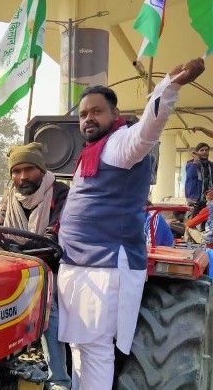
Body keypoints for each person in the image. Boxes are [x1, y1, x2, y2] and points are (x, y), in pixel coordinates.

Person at [56, 58, 205, 390]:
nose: (88, 119)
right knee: (79, 348)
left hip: (105, 265)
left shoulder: (122, 143)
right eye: (83, 114)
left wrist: (169, 86)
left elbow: (148, 130)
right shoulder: (91, 153)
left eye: (96, 111)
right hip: (78, 264)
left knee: (95, 350)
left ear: (114, 114)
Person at [0, 142, 71, 390]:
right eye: (16, 171)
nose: (22, 176)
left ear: (41, 170)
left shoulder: (60, 193)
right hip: (16, 265)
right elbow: (1, 219)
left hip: (49, 266)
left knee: (50, 307)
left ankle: (59, 379)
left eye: (29, 169)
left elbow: (52, 237)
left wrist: (21, 255)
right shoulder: (10, 194)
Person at [185, 142, 212, 212]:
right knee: (194, 221)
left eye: (206, 150)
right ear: (197, 152)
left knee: (207, 222)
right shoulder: (190, 164)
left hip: (209, 200)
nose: (204, 152)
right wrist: (196, 160)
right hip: (195, 200)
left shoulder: (211, 165)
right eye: (202, 150)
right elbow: (191, 174)